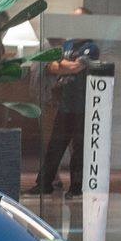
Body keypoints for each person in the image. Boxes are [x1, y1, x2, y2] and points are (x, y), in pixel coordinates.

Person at [34, 39, 96, 195]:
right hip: (65, 105)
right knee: (54, 147)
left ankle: (76, 187)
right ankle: (44, 184)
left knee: (79, 149)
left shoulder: (91, 47)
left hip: (83, 106)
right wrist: (64, 66)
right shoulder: (68, 45)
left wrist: (62, 65)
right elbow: (53, 68)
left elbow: (75, 67)